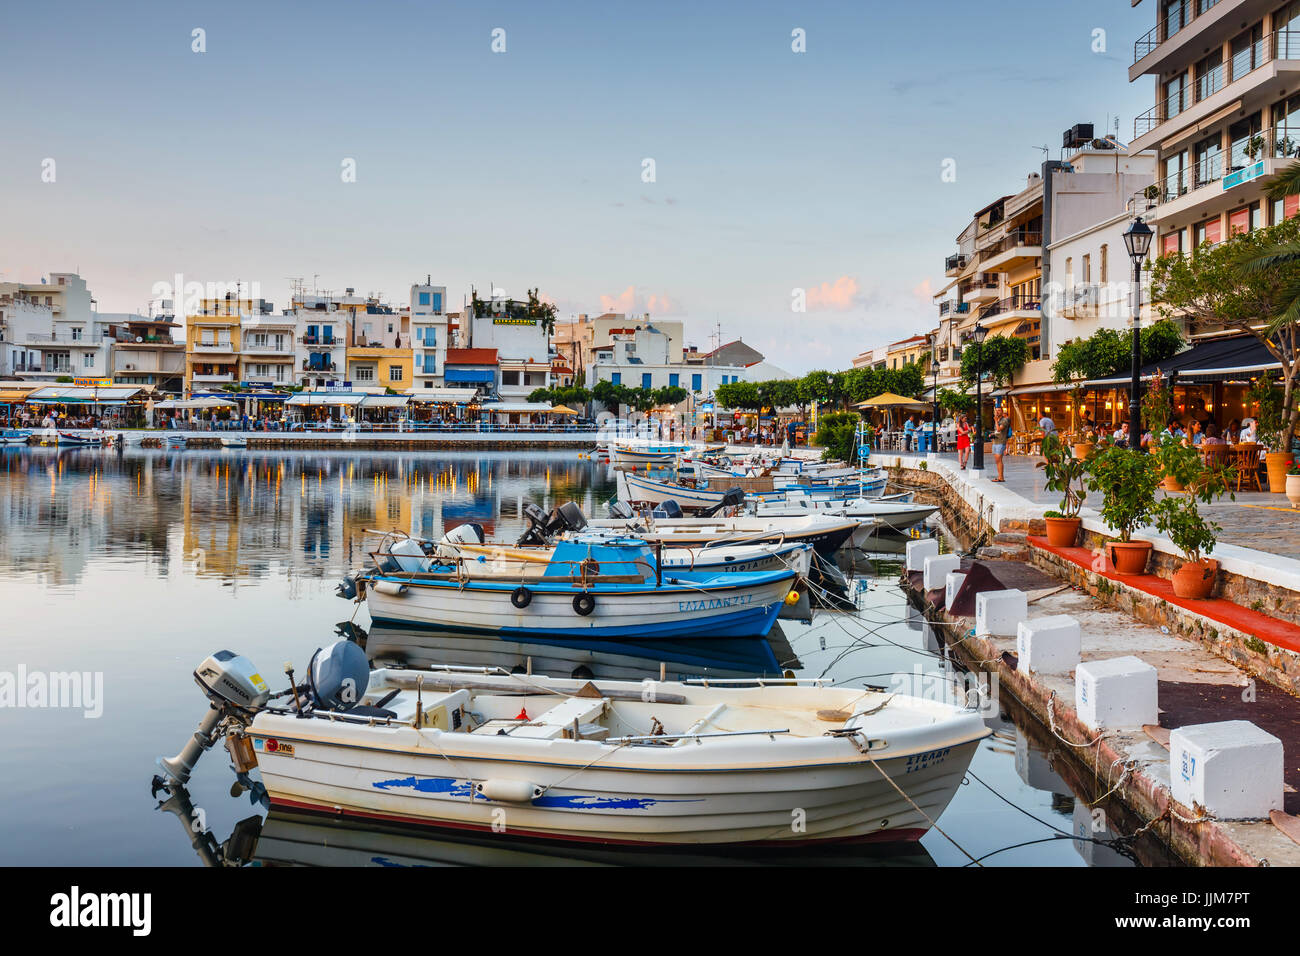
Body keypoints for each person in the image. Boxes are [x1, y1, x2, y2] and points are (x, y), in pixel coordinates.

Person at [990, 408, 1011, 481]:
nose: (997, 412)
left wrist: (995, 421)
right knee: (997, 460)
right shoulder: (998, 421)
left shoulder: (1004, 420)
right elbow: (997, 431)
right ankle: (1000, 477)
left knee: (999, 459)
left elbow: (999, 429)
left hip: (1001, 442)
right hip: (995, 441)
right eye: (996, 411)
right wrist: (992, 434)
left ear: (1002, 412)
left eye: (999, 411)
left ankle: (1001, 477)